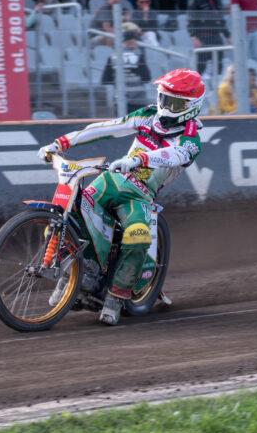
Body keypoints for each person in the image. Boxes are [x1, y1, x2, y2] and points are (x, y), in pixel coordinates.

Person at [36, 69, 205, 325]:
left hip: (141, 195)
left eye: (174, 102)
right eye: (163, 98)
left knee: (137, 234)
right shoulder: (147, 115)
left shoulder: (191, 137)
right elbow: (106, 128)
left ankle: (115, 297)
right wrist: (61, 143)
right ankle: (72, 273)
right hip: (111, 180)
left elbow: (174, 155)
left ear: (191, 107)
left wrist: (139, 159)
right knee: (69, 212)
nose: (165, 106)